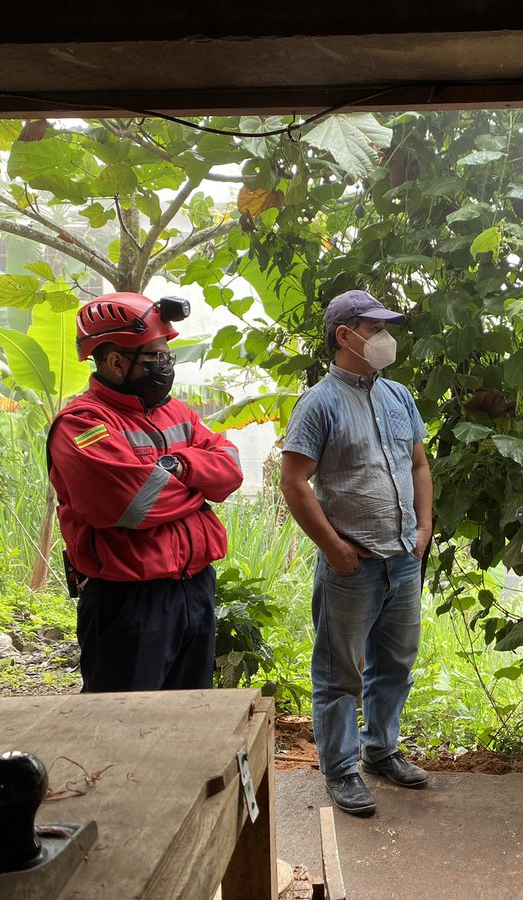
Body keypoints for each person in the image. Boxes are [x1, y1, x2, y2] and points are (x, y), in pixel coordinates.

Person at [279, 289, 433, 818]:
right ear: (345, 336)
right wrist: (334, 548)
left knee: (395, 663)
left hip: (402, 560)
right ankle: (340, 769)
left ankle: (380, 750)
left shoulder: (398, 396)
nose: (386, 338)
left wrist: (425, 526)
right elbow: (295, 482)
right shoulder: (318, 402)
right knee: (339, 671)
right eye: (375, 328)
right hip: (354, 564)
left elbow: (418, 466)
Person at [48, 292, 244, 693]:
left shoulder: (177, 412)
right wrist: (196, 493)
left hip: (195, 590)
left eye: (166, 355)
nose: (166, 364)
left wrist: (177, 467)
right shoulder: (82, 424)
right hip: (129, 601)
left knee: (187, 718)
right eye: (156, 356)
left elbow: (231, 471)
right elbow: (134, 505)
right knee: (122, 728)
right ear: (117, 361)